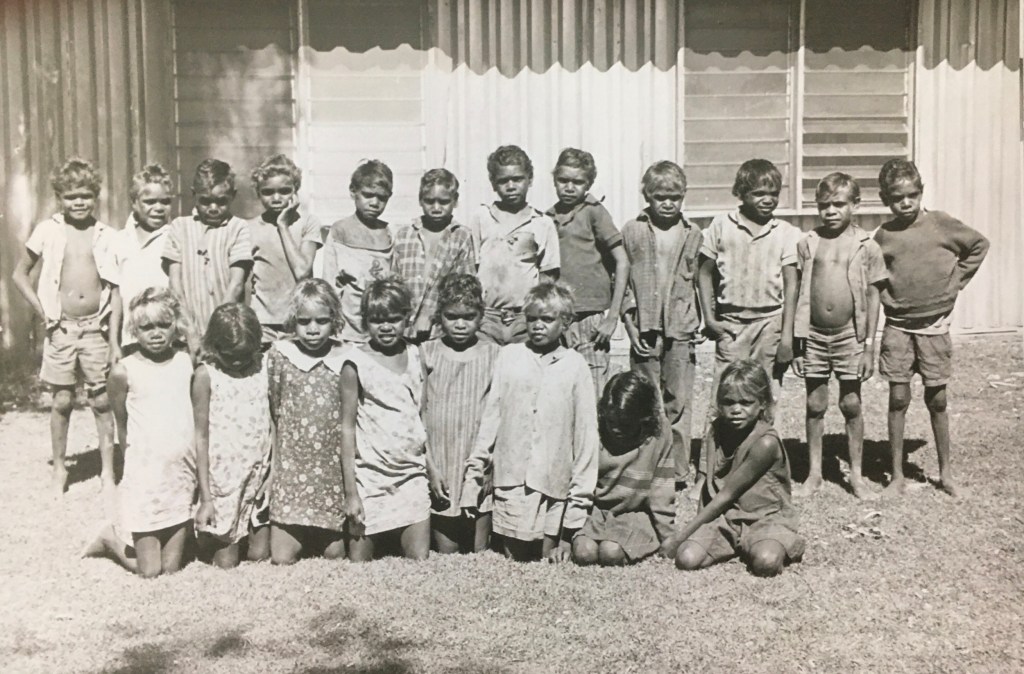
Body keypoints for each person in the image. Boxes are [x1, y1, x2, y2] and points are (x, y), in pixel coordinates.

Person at [873, 159, 989, 497]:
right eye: (897, 198)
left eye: (912, 195)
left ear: (921, 192)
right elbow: (874, 273)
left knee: (937, 400)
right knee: (898, 398)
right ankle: (897, 476)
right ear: (885, 199)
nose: (905, 203)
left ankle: (946, 474)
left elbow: (979, 245)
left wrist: (955, 282)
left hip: (934, 327)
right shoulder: (883, 235)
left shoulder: (941, 224)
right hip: (897, 327)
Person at [461, 283, 598, 562]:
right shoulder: (510, 356)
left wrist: (577, 504)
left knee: (545, 557)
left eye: (547, 319)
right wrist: (475, 475)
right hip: (512, 478)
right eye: (532, 318)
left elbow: (586, 437)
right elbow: (491, 417)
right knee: (515, 557)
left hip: (552, 482)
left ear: (565, 322)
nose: (538, 326)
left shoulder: (575, 366)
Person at [11, 157, 121, 499]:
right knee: (61, 400)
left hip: (96, 330)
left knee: (101, 401)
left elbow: (116, 288)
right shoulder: (48, 231)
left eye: (85, 195)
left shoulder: (107, 235)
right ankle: (60, 467)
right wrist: (43, 312)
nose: (79, 202)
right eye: (71, 196)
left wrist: (114, 339)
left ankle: (107, 471)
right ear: (59, 198)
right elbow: (19, 274)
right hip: (62, 329)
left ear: (96, 196)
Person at [81, 288, 195, 577]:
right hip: (145, 477)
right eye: (146, 327)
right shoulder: (124, 371)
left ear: (175, 325)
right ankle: (110, 540)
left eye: (163, 325)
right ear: (134, 330)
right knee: (150, 572)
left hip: (179, 475)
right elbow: (122, 424)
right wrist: (134, 465)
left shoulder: (187, 363)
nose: (156, 334)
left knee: (171, 569)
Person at [792, 173, 887, 499]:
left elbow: (873, 297)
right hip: (815, 336)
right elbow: (798, 294)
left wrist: (869, 347)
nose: (830, 211)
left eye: (839, 204)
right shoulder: (808, 243)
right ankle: (814, 474)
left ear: (855, 205)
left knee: (851, 402)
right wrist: (798, 344)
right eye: (824, 205)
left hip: (850, 336)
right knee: (815, 403)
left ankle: (856, 476)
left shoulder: (867, 246)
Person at [665, 359, 804, 577]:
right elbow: (711, 486)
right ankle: (737, 544)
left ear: (762, 404)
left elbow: (726, 494)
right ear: (719, 404)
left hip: (764, 517)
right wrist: (699, 533)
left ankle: (775, 541)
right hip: (726, 517)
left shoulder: (765, 443)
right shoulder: (716, 430)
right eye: (728, 402)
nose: (736, 410)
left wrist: (680, 537)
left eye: (746, 402)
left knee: (766, 562)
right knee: (687, 558)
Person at [621, 161, 703, 488]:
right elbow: (622, 280)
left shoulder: (693, 233)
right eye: (660, 197)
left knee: (678, 400)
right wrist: (629, 325)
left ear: (684, 196)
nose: (667, 204)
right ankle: (647, 465)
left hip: (680, 328)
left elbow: (699, 281)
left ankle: (678, 471)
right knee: (646, 398)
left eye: (675, 197)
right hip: (644, 328)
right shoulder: (633, 231)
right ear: (647, 196)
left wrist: (699, 319)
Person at [341, 278, 431, 561]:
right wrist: (351, 493)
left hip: (412, 475)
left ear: (407, 318)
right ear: (365, 321)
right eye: (377, 320)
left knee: (419, 559)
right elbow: (346, 429)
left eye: (394, 319)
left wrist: (432, 467)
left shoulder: (416, 354)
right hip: (371, 477)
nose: (386, 327)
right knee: (360, 562)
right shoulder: (354, 362)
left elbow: (421, 417)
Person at [266, 278, 353, 564]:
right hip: (291, 474)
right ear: (294, 321)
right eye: (304, 322)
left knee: (334, 555)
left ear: (334, 320)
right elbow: (274, 407)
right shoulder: (281, 355)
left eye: (321, 321)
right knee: (281, 557)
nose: (313, 329)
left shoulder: (346, 357)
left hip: (330, 475)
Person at [420, 274, 500, 554]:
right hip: (441, 463)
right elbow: (420, 413)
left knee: (478, 550)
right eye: (452, 316)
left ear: (481, 315)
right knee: (447, 552)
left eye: (469, 316)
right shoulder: (427, 352)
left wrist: (492, 468)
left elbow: (499, 415)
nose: (460, 324)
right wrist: (430, 467)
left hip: (478, 462)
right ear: (440, 316)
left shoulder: (494, 354)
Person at [193, 304, 273, 568]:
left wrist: (272, 472)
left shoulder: (263, 366)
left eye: (244, 355)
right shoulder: (206, 375)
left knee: (259, 554)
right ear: (214, 346)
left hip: (258, 476)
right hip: (223, 481)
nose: (238, 362)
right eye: (230, 356)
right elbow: (200, 436)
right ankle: (205, 537)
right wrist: (206, 497)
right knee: (226, 563)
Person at [546, 148, 630, 396]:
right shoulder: (548, 217)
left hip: (590, 318)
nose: (569, 187)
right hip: (558, 314)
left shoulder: (594, 211)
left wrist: (612, 317)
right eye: (563, 180)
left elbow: (622, 262)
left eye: (578, 182)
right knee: (560, 391)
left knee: (592, 391)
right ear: (554, 180)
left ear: (589, 183)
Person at [572, 372, 674, 566]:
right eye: (611, 422)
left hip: (635, 513)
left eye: (625, 424)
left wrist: (667, 535)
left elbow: (661, 489)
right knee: (584, 552)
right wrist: (564, 536)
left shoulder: (659, 432)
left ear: (644, 419)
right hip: (595, 509)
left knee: (610, 552)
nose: (616, 429)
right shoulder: (594, 425)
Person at [468, 145, 560, 345]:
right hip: (486, 317)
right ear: (493, 183)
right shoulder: (482, 217)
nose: (510, 186)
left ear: (530, 179)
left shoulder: (542, 223)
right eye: (503, 181)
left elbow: (547, 277)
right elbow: (473, 268)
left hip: (524, 318)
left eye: (517, 179)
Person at [162, 159, 253, 341]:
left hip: (226, 329)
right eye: (205, 201)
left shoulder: (238, 228)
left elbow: (236, 285)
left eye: (221, 202)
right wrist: (190, 331)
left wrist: (216, 330)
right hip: (187, 330)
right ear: (193, 194)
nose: (213, 209)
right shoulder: (180, 227)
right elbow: (175, 284)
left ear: (233, 195)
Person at [391, 168, 476, 343]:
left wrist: (430, 314)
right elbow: (394, 284)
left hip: (440, 332)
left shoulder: (461, 236)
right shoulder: (404, 235)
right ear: (420, 200)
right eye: (430, 201)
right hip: (402, 330)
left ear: (455, 201)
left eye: (443, 202)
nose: (436, 208)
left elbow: (465, 289)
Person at [246, 154, 323, 346]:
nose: (276, 198)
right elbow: (245, 282)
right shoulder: (248, 228)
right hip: (262, 323)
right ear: (258, 193)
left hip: (300, 321)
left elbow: (302, 271)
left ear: (295, 190)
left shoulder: (308, 223)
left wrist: (283, 226)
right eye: (268, 192)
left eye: (284, 191)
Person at [320, 160, 395, 344]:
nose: (374, 203)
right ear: (353, 191)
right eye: (368, 195)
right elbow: (330, 285)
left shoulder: (390, 234)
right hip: (347, 330)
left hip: (381, 329)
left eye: (382, 198)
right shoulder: (339, 231)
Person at [114, 164, 174, 348]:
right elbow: (115, 297)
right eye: (150, 202)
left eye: (165, 202)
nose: (159, 208)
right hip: (131, 339)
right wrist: (113, 343)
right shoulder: (119, 240)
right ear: (134, 202)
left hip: (167, 338)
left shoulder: (176, 237)